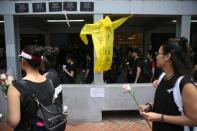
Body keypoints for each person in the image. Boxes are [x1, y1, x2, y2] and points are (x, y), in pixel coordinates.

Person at [139, 38, 197, 131]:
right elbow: (166, 104)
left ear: (167, 56)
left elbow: (194, 120)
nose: (156, 56)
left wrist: (160, 117)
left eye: (158, 53)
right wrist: (149, 106)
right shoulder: (162, 77)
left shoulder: (185, 84)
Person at [7, 45, 55, 131]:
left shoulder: (15, 87)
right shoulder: (49, 82)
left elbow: (13, 122)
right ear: (40, 63)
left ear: (23, 62)